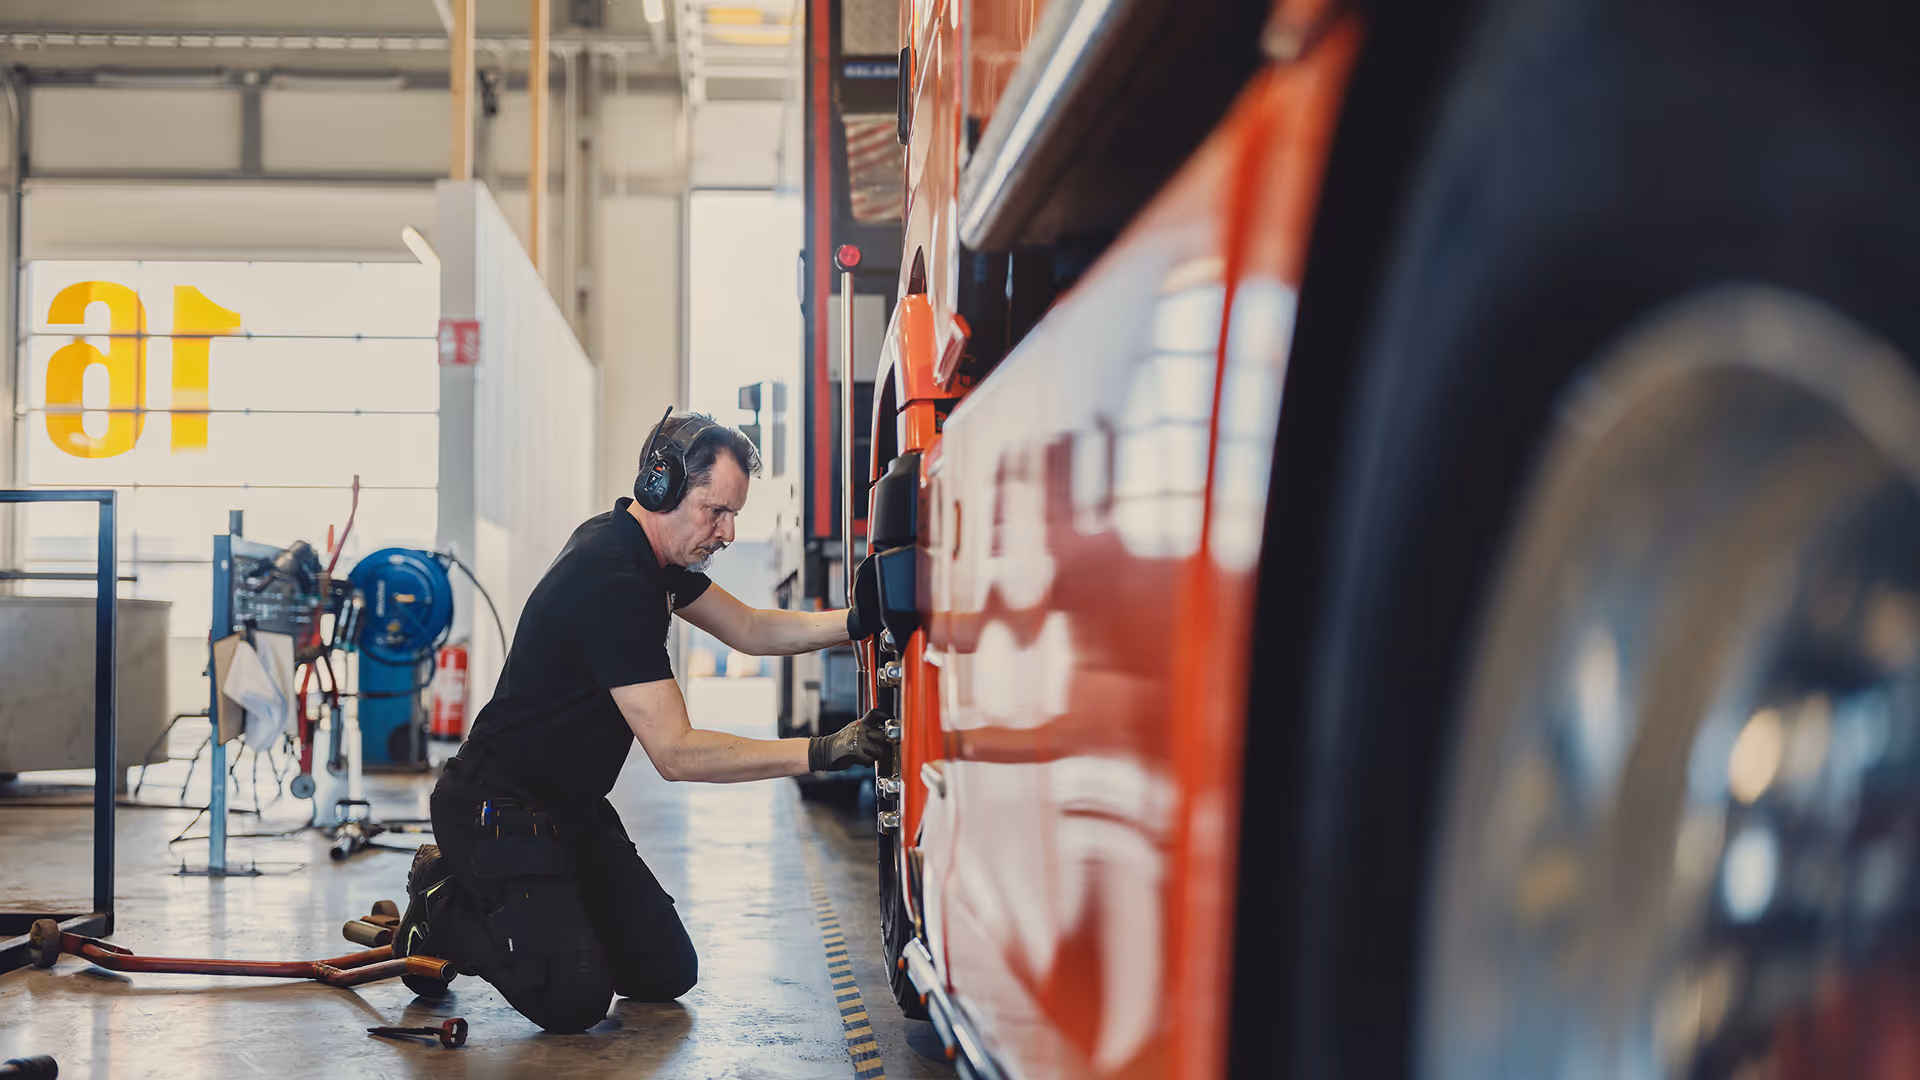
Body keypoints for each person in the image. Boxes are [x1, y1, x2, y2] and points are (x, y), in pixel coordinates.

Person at [394, 409, 886, 1033]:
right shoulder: (612, 578)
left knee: (665, 971)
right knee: (573, 1000)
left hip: (570, 811)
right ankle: (445, 900)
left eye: (734, 514)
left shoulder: (645, 555)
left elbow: (752, 628)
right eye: (717, 511)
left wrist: (856, 619)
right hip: (497, 812)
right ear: (661, 487)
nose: (729, 532)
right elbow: (676, 753)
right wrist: (822, 751)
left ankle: (544, 909)